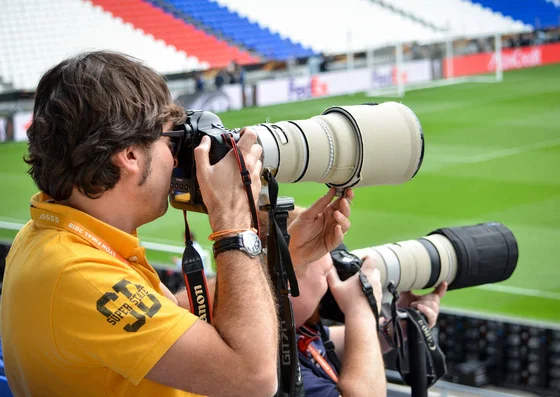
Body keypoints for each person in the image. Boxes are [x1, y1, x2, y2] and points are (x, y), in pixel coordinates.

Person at [0, 50, 352, 397]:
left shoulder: (56, 236)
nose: (177, 158)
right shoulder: (77, 274)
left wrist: (280, 254)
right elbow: (253, 380)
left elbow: (167, 320)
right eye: (172, 140)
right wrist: (233, 222)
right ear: (131, 156)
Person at [292, 249, 447, 397]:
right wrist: (360, 311)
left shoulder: (292, 328)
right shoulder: (280, 367)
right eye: (326, 275)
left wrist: (394, 328)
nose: (329, 286)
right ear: (287, 285)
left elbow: (327, 345)